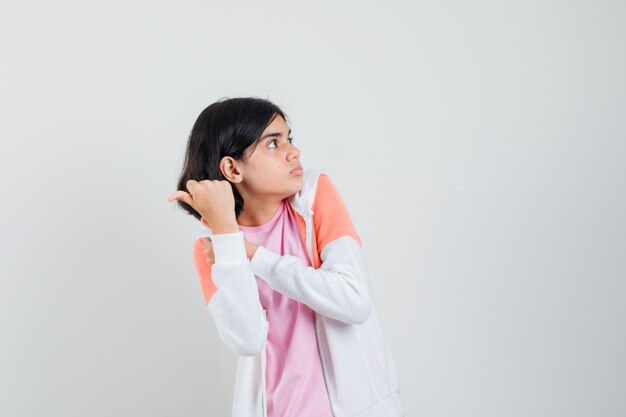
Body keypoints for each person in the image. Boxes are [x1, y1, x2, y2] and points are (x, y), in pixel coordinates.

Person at [168, 97, 404, 417]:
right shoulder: (211, 251)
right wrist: (227, 238)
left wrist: (254, 256)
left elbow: (355, 300)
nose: (294, 152)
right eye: (273, 144)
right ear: (232, 168)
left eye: (288, 139)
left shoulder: (314, 196)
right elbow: (248, 339)